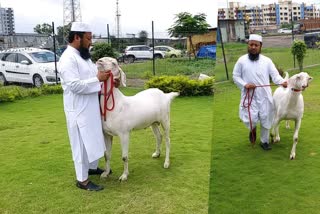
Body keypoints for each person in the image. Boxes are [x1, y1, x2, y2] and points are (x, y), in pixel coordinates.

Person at [58, 22, 110, 191]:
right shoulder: (68, 58)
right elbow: (74, 85)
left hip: (90, 106)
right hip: (78, 109)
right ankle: (82, 180)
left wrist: (108, 79)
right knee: (80, 144)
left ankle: (91, 168)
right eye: (88, 38)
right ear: (77, 37)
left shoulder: (84, 56)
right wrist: (98, 80)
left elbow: (95, 76)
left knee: (93, 137)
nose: (91, 42)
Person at [233, 34, 287, 151]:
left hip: (265, 96)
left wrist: (283, 82)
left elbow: (276, 76)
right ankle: (252, 130)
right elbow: (235, 76)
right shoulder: (241, 61)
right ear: (248, 45)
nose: (253, 47)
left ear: (260, 46)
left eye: (256, 45)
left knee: (266, 118)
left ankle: (264, 141)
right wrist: (245, 84)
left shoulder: (267, 61)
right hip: (249, 96)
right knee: (250, 118)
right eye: (251, 44)